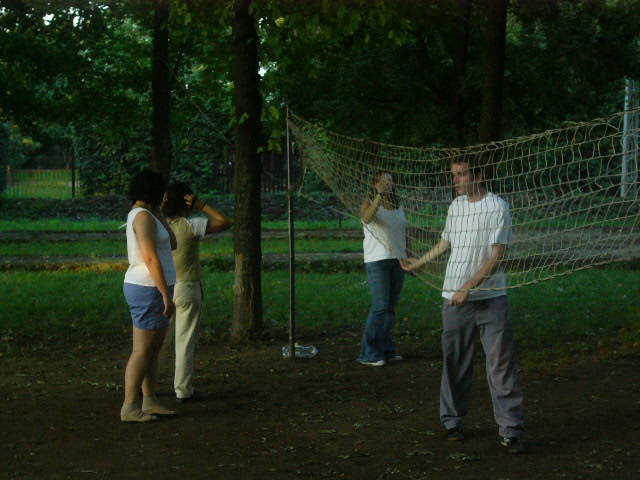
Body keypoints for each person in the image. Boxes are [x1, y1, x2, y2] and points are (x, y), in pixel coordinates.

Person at [401, 158, 526, 454]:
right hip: (453, 299)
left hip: (490, 299)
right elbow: (445, 243)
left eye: (461, 174)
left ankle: (511, 430)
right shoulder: (455, 206)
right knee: (455, 362)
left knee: (501, 365)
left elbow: (497, 257)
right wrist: (418, 262)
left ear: (478, 175)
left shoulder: (498, 207)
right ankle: (453, 421)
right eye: (454, 175)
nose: (455, 180)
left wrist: (468, 287)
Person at [162, 182, 232, 402]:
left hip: (162, 288)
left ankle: (146, 386)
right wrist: (202, 205)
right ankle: (183, 390)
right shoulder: (191, 225)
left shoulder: (159, 226)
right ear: (187, 202)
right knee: (184, 343)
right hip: (188, 287)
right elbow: (225, 222)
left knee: (155, 342)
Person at [121, 169, 177, 423]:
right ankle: (129, 406)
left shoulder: (149, 215)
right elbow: (150, 257)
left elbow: (173, 242)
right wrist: (165, 293)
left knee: (152, 349)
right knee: (142, 350)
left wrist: (160, 213)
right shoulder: (142, 217)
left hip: (154, 287)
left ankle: (149, 399)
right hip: (148, 288)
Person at [357, 171, 408, 367]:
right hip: (377, 261)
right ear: (375, 183)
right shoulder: (369, 202)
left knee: (390, 309)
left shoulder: (399, 206)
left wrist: (408, 256)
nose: (388, 183)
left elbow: (403, 232)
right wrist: (379, 196)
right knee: (380, 306)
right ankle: (368, 353)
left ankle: (386, 349)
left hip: (398, 261)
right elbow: (366, 218)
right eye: (383, 180)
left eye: (390, 180)